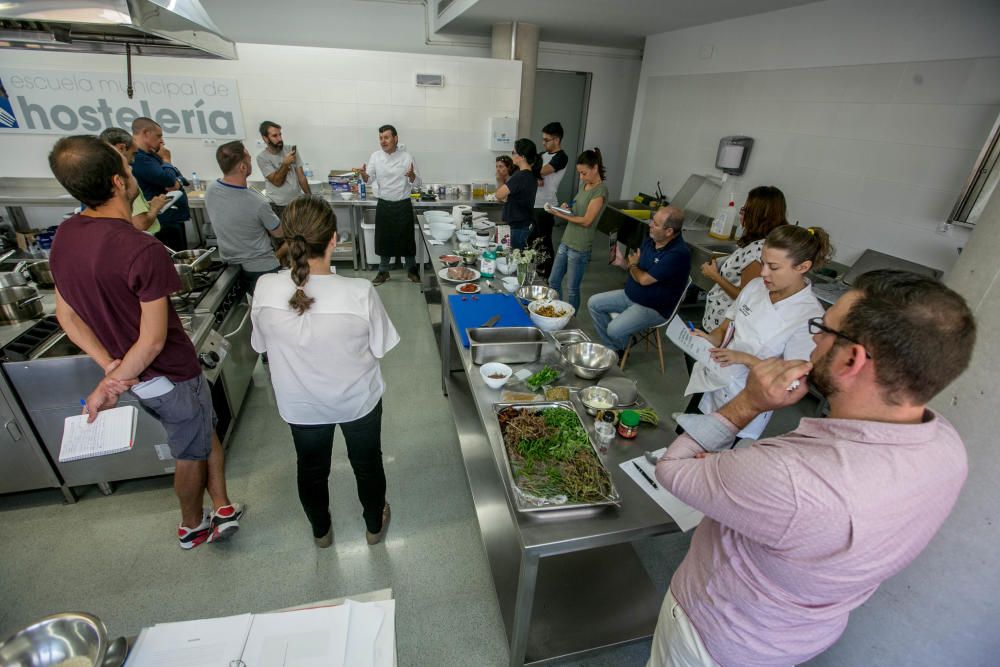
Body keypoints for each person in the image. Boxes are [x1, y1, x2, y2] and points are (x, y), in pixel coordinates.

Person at [650, 269, 976, 667]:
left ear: (853, 358)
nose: (814, 340)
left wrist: (747, 404)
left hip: (713, 635)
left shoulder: (792, 476)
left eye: (823, 329)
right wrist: (735, 473)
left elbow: (672, 468)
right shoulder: (947, 446)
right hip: (795, 636)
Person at [47, 135, 243, 550]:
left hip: (137, 375)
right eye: (128, 165)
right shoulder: (142, 248)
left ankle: (223, 504)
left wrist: (110, 366)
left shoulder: (66, 235)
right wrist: (113, 379)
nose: (135, 170)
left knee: (202, 431)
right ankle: (192, 525)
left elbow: (67, 317)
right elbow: (153, 341)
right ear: (119, 183)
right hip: (169, 375)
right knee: (189, 451)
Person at [250, 196, 399, 547]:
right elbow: (380, 348)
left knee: (311, 469)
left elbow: (260, 347)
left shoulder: (265, 288)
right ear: (334, 239)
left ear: (287, 239)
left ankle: (321, 532)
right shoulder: (359, 292)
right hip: (356, 402)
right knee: (367, 465)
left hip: (300, 407)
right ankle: (374, 526)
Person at [684, 225, 831, 439]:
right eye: (763, 263)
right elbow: (725, 328)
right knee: (687, 440)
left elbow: (791, 381)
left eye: (773, 267)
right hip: (712, 383)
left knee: (711, 460)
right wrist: (708, 338)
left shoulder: (808, 316)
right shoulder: (755, 287)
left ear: (802, 267)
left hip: (746, 402)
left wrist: (744, 358)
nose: (763, 273)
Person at [587, 206, 690, 357]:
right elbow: (636, 271)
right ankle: (617, 347)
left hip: (653, 307)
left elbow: (643, 279)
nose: (650, 225)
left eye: (655, 224)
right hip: (631, 294)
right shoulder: (651, 240)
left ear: (669, 232)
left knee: (613, 329)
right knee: (593, 303)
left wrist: (632, 265)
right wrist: (623, 263)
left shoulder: (678, 254)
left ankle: (618, 343)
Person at [700, 186, 788, 332]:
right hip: (717, 321)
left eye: (745, 210)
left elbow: (744, 298)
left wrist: (714, 276)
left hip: (722, 326)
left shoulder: (759, 250)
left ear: (758, 215)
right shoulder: (759, 243)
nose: (741, 214)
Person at [205, 140, 283, 294]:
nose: (250, 160)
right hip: (261, 269)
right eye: (248, 158)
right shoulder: (257, 201)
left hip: (230, 265)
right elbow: (279, 233)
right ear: (242, 167)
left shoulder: (211, 189)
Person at [358, 124, 421, 286]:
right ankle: (383, 271)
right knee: (384, 240)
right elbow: (369, 179)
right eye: (380, 138)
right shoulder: (376, 157)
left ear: (395, 138)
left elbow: (418, 183)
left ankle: (412, 270)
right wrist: (364, 175)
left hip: (403, 204)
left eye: (386, 137)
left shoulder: (407, 157)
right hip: (384, 204)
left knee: (407, 240)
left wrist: (412, 175)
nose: (383, 141)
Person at [547, 148, 609, 311]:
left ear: (595, 168)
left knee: (572, 289)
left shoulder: (600, 191)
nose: (581, 177)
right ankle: (556, 312)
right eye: (580, 173)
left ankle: (570, 320)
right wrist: (567, 206)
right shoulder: (585, 186)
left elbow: (587, 221)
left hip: (580, 247)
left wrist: (560, 214)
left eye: (584, 173)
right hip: (567, 240)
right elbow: (577, 206)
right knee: (553, 281)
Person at [130, 117, 191, 251]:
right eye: (158, 136)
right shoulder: (141, 160)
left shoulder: (153, 156)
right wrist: (167, 160)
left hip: (173, 218)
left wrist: (177, 180)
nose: (162, 141)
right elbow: (169, 181)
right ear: (146, 133)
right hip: (163, 220)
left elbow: (180, 178)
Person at [97, 127, 167, 234]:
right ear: (121, 148)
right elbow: (141, 224)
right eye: (133, 154)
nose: (133, 161)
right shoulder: (123, 180)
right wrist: (155, 207)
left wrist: (146, 205)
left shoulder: (97, 178)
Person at [528, 122, 569, 278]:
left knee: (544, 243)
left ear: (557, 140)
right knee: (531, 241)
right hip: (533, 204)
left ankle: (545, 276)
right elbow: (527, 169)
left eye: (547, 140)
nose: (543, 143)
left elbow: (543, 171)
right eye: (543, 139)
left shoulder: (561, 157)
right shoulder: (541, 155)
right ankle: (533, 271)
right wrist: (535, 175)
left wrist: (536, 174)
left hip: (546, 206)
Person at [255, 120, 311, 218]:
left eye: (280, 134)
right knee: (283, 233)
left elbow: (301, 177)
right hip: (278, 206)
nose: (280, 139)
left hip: (296, 203)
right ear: (265, 139)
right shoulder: (262, 158)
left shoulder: (290, 150)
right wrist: (285, 164)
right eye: (275, 136)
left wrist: (310, 198)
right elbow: (277, 182)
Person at [495, 138, 540, 250]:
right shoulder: (531, 175)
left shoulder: (520, 176)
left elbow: (499, 195)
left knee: (515, 260)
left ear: (522, 156)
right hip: (524, 224)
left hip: (518, 228)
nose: (512, 155)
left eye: (514, 152)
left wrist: (500, 179)